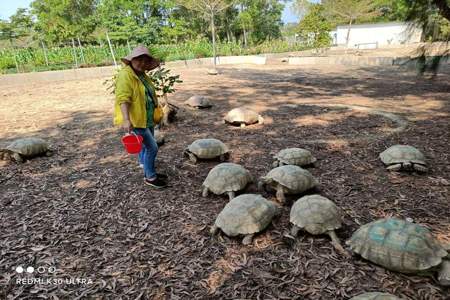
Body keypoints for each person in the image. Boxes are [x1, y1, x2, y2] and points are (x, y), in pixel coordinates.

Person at [114, 45, 167, 188]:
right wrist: (126, 119)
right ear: (132, 59)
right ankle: (150, 177)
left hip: (147, 117)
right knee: (152, 147)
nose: (142, 63)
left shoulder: (142, 74)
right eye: (139, 59)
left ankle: (147, 170)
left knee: (145, 147)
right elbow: (123, 98)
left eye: (145, 61)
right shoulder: (126, 75)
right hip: (136, 119)